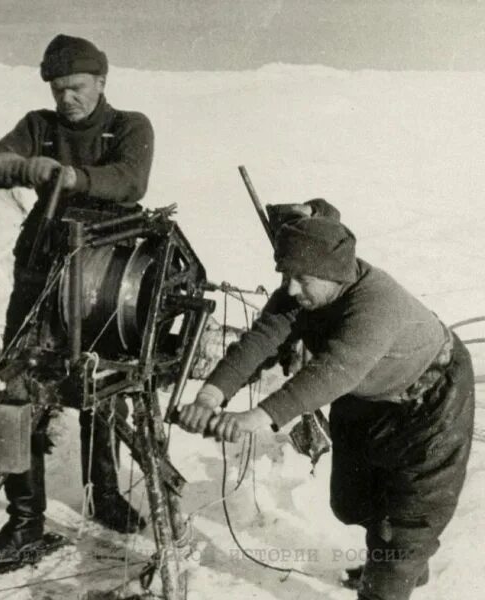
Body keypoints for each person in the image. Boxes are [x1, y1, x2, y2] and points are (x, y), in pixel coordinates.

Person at [178, 216, 475, 600]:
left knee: (408, 520)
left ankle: (398, 568)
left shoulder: (376, 306)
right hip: (369, 396)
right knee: (352, 500)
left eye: (302, 278)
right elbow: (261, 340)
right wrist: (210, 396)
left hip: (431, 401)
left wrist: (257, 418)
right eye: (286, 274)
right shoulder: (303, 289)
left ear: (335, 274)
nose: (290, 287)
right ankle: (403, 559)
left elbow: (332, 372)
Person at [0, 33, 154, 559]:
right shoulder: (39, 126)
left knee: (100, 389)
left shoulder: (130, 127)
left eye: (75, 87)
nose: (66, 98)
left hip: (105, 277)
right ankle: (26, 521)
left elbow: (130, 180)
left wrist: (72, 176)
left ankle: (104, 495)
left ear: (101, 81)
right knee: (14, 391)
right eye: (58, 89)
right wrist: (26, 167)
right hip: (40, 273)